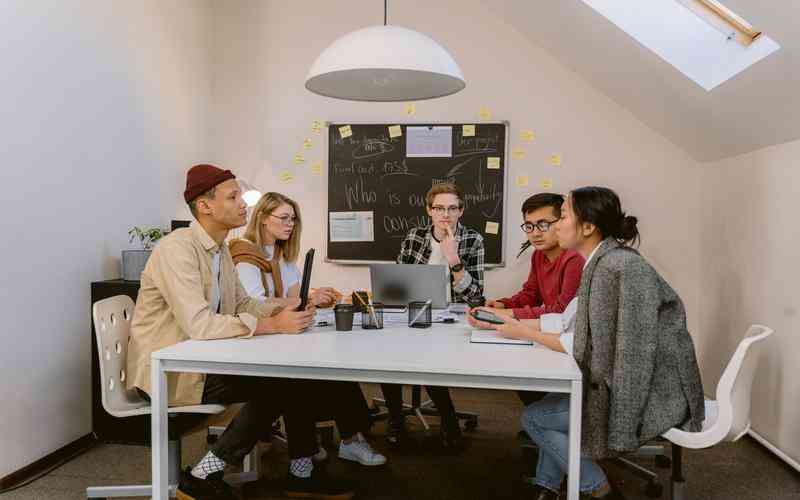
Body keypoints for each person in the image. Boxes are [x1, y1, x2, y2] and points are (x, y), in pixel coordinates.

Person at [126, 164, 356, 500]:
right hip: (171, 373)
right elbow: (200, 324)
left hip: (200, 361)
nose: (244, 204)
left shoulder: (220, 249)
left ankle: (300, 471)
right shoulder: (177, 249)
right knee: (279, 380)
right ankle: (203, 475)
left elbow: (244, 304)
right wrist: (272, 326)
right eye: (233, 197)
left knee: (295, 374)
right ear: (204, 206)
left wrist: (284, 309)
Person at [470, 186, 705, 499]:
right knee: (548, 401)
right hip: (635, 381)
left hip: (653, 393)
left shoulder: (614, 267)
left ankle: (599, 488)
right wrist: (513, 322)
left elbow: (588, 345)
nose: (554, 226)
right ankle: (549, 485)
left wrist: (524, 331)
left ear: (587, 227)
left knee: (535, 418)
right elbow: (575, 322)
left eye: (562, 216)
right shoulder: (603, 261)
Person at [229, 191, 385, 467]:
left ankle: (340, 440)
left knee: (334, 365)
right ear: (263, 218)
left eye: (294, 219)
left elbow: (293, 292)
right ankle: (337, 442)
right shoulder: (245, 256)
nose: (291, 224)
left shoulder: (279, 253)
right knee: (318, 373)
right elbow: (253, 304)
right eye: (284, 218)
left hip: (279, 335)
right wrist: (306, 300)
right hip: (254, 338)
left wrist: (313, 295)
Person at [380, 182, 485, 450]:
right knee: (385, 355)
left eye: (452, 208)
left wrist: (453, 258)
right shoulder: (415, 236)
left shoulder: (473, 240)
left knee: (429, 359)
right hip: (414, 312)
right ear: (429, 210)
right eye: (439, 208)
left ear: (461, 211)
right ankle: (395, 419)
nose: (445, 214)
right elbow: (397, 284)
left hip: (453, 317)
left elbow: (475, 296)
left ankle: (449, 421)